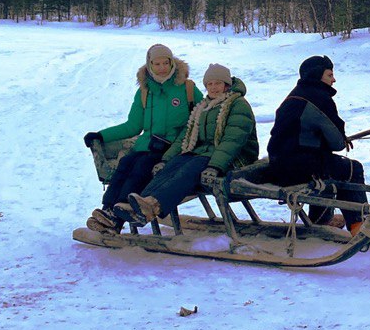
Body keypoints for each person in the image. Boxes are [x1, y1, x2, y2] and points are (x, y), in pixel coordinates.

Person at [105, 63, 259, 230]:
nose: (213, 88)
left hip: (235, 158)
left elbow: (233, 141)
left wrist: (215, 165)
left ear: (226, 85)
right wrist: (165, 160)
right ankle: (141, 204)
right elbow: (184, 138)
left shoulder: (237, 104)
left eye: (218, 83)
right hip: (206, 154)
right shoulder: (203, 107)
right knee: (175, 164)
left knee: (190, 168)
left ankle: (153, 206)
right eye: (210, 84)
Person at [84, 44, 201, 233]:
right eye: (157, 64)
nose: (162, 67)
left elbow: (199, 118)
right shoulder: (145, 92)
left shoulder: (187, 88)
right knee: (125, 164)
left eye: (166, 63)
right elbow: (133, 126)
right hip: (146, 145)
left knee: (141, 168)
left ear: (172, 63)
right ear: (149, 65)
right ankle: (107, 210)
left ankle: (118, 215)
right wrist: (101, 135)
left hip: (173, 147)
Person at [265, 55, 368, 234]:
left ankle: (321, 220)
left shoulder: (295, 95)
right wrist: (341, 136)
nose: (334, 79)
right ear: (317, 75)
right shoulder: (319, 98)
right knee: (351, 169)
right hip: (298, 167)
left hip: (279, 164)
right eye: (329, 75)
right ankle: (358, 225)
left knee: (328, 165)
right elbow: (337, 142)